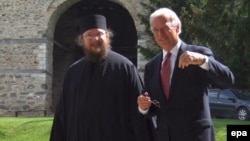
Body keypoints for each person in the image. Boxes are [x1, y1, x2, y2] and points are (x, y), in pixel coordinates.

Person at [137, 8, 235, 141]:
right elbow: (154, 105)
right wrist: (144, 107)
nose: (160, 35)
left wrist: (203, 61)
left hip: (196, 136)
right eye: (156, 30)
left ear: (178, 28)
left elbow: (227, 80)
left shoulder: (198, 55)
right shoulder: (152, 66)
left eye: (165, 28)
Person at [50, 14, 152, 141]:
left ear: (107, 36)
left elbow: (140, 113)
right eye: (89, 35)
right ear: (82, 40)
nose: (95, 39)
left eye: (99, 34)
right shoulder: (73, 72)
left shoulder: (125, 68)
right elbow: (62, 116)